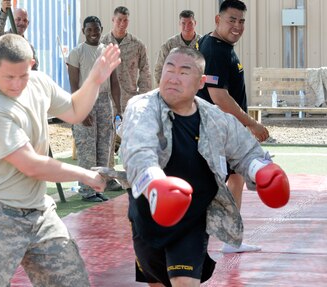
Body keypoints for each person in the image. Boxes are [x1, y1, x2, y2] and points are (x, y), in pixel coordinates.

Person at [0, 33, 120, 286]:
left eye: (23, 75)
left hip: (36, 210)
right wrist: (84, 174)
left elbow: (75, 111)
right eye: (9, 77)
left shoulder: (38, 83)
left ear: (31, 64)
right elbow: (31, 165)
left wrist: (95, 79)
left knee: (72, 282)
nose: (17, 84)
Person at [119, 47, 290, 286]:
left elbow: (246, 150)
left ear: (200, 82)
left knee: (184, 282)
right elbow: (138, 149)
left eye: (184, 71)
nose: (173, 77)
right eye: (169, 68)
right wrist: (154, 183)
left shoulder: (215, 118)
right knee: (158, 283)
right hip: (147, 217)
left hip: (193, 220)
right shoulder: (142, 107)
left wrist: (261, 171)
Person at [196, 0, 270, 253]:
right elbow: (219, 96)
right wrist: (251, 124)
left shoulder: (220, 46)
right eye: (232, 20)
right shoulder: (215, 49)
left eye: (241, 21)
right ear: (218, 20)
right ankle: (193, 241)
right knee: (208, 184)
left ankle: (230, 239)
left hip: (224, 131)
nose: (237, 26)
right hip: (215, 132)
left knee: (236, 178)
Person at [67, 16, 121, 202]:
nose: (93, 33)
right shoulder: (76, 53)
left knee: (104, 147)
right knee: (87, 147)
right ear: (83, 31)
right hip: (85, 98)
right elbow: (74, 85)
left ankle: (98, 188)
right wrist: (81, 108)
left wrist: (118, 109)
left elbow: (114, 83)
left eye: (96, 29)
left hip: (105, 101)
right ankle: (87, 191)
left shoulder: (107, 51)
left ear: (101, 29)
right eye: (89, 30)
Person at [101, 6, 152, 190]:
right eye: (119, 20)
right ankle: (108, 178)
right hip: (107, 100)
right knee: (107, 139)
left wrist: (143, 96)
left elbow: (145, 72)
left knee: (131, 139)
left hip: (129, 100)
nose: (122, 24)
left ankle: (131, 174)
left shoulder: (137, 45)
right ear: (113, 20)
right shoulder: (102, 43)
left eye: (125, 20)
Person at [154, 10, 201, 86]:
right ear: (179, 24)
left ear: (195, 23)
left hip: (196, 88)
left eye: (190, 23)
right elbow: (159, 68)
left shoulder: (202, 42)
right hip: (174, 86)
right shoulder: (170, 44)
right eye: (183, 23)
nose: (187, 27)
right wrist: (162, 87)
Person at [0, 0, 39, 70]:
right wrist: (3, 12)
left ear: (28, 23)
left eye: (25, 20)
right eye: (18, 19)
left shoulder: (29, 47)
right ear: (12, 20)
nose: (21, 23)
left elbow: (34, 71)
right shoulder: (3, 41)